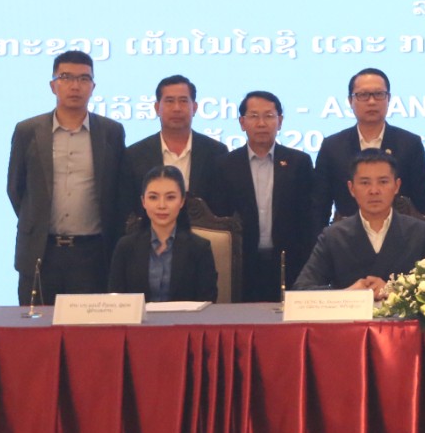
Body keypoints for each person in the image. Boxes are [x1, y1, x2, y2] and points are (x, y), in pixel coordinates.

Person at [6, 50, 127, 305]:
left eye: (84, 79)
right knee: (36, 325)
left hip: (93, 253)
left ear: (93, 87)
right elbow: (16, 189)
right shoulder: (28, 131)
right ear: (53, 85)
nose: (75, 86)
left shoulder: (111, 132)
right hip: (42, 251)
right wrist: (37, 221)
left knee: (90, 327)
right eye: (66, 77)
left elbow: (116, 191)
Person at [203, 90, 319, 302]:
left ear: (280, 121)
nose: (262, 123)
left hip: (289, 262)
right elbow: (219, 217)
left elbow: (309, 217)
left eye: (269, 116)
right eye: (254, 116)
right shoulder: (224, 165)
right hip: (241, 263)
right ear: (242, 122)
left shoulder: (299, 162)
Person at [293, 150, 425, 296]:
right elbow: (302, 290)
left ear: (396, 186)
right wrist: (347, 294)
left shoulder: (421, 233)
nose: (374, 190)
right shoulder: (333, 236)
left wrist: (394, 290)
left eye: (383, 182)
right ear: (351, 188)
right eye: (365, 183)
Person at [313, 68, 425, 222]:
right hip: (347, 234)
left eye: (379, 94)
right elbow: (319, 205)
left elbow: (423, 203)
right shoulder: (333, 147)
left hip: (400, 234)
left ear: (388, 98)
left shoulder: (410, 144)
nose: (372, 101)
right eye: (363, 95)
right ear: (350, 101)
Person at [109, 166, 219, 302]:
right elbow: (116, 301)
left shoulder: (199, 248)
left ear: (182, 201)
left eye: (170, 197)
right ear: (143, 201)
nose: (161, 205)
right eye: (153, 197)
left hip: (184, 316)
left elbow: (208, 300)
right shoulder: (125, 247)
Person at [123, 74, 228, 204]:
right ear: (157, 108)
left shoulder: (216, 152)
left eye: (183, 101)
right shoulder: (134, 155)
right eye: (169, 101)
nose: (176, 108)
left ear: (195, 108)